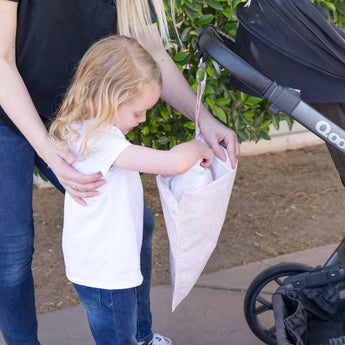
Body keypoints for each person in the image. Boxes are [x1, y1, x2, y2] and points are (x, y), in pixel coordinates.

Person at [0, 1, 239, 344]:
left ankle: (139, 336)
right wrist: (48, 151)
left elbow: (150, 51)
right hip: (9, 116)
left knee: (137, 223)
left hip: (75, 118)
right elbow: (1, 59)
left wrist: (206, 120)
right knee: (12, 254)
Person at [49, 34, 214, 345]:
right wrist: (197, 146)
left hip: (104, 263)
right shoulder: (101, 142)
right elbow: (174, 163)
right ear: (106, 97)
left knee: (123, 326)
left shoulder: (83, 126)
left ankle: (143, 338)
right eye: (138, 112)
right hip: (106, 274)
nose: (143, 119)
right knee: (116, 336)